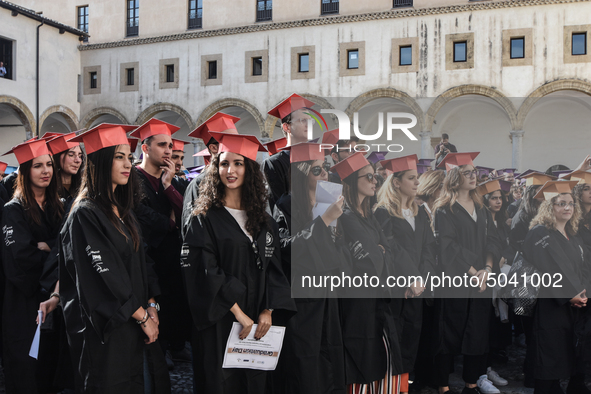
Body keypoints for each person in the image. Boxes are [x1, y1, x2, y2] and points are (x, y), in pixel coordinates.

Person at [181, 132, 295, 394]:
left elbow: (274, 269)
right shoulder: (204, 218)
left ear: (250, 169)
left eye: (238, 163)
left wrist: (267, 310)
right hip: (220, 321)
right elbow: (203, 270)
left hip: (257, 322)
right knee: (221, 383)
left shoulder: (263, 221)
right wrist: (237, 313)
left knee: (255, 385)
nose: (229, 170)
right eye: (223, 163)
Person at [58, 123, 168, 392]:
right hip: (108, 331)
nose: (128, 164)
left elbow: (142, 261)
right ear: (100, 161)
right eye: (119, 157)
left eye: (129, 157)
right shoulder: (85, 214)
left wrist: (152, 304)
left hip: (136, 323)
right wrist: (142, 317)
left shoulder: (123, 211)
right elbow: (104, 274)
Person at [272, 142, 346, 394]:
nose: (324, 174)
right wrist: (324, 222)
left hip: (326, 295)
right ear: (302, 174)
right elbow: (285, 248)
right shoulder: (285, 205)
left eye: (324, 168)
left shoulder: (328, 203)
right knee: (303, 363)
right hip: (301, 301)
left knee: (329, 357)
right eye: (316, 170)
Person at [331, 152, 403, 393]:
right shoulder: (347, 216)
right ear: (352, 181)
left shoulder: (369, 215)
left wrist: (380, 253)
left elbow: (388, 251)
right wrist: (380, 253)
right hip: (358, 303)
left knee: (382, 355)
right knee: (362, 359)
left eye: (375, 177)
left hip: (376, 297)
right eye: (369, 177)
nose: (375, 181)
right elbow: (371, 259)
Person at [432, 152, 501, 394]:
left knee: (477, 332)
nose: (474, 177)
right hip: (455, 280)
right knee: (448, 332)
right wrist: (474, 271)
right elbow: (448, 246)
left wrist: (488, 269)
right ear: (454, 176)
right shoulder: (445, 209)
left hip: (482, 279)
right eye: (468, 173)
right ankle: (443, 386)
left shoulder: (481, 208)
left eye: (475, 173)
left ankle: (471, 384)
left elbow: (493, 240)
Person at [1, 138, 64, 393]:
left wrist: (48, 246)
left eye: (49, 164)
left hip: (54, 302)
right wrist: (56, 252)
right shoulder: (13, 210)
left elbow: (67, 247)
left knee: (49, 373)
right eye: (38, 166)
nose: (46, 170)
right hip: (23, 305)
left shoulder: (57, 206)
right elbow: (21, 259)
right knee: (26, 373)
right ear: (25, 171)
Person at [130, 118, 192, 367]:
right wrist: (170, 223)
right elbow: (138, 214)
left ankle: (176, 346)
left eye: (170, 145)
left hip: (174, 257)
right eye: (162, 145)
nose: (168, 151)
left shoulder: (175, 181)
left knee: (176, 304)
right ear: (145, 148)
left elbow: (187, 214)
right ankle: (159, 351)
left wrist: (167, 187)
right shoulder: (132, 179)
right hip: (147, 256)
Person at [374, 154, 436, 394]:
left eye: (417, 178)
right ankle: (391, 388)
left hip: (418, 287)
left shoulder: (419, 212)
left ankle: (404, 388)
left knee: (412, 339)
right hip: (397, 287)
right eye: (412, 178)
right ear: (396, 182)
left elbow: (430, 248)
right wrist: (411, 277)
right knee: (395, 340)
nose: (417, 183)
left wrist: (423, 277)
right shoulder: (383, 212)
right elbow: (391, 248)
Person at [521, 181, 588, 394]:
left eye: (570, 204)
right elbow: (548, 269)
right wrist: (570, 294)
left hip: (572, 306)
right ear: (550, 207)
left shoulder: (573, 236)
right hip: (550, 304)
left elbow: (582, 267)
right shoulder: (539, 233)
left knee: (565, 355)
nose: (567, 208)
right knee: (548, 358)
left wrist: (583, 293)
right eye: (560, 204)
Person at [181, 112, 240, 237]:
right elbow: (192, 229)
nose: (238, 144)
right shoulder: (198, 184)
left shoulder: (240, 179)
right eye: (231, 140)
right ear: (213, 148)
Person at [264, 94, 315, 210]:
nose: (309, 125)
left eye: (310, 121)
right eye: (303, 120)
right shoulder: (275, 163)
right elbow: (278, 205)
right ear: (287, 127)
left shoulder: (315, 158)